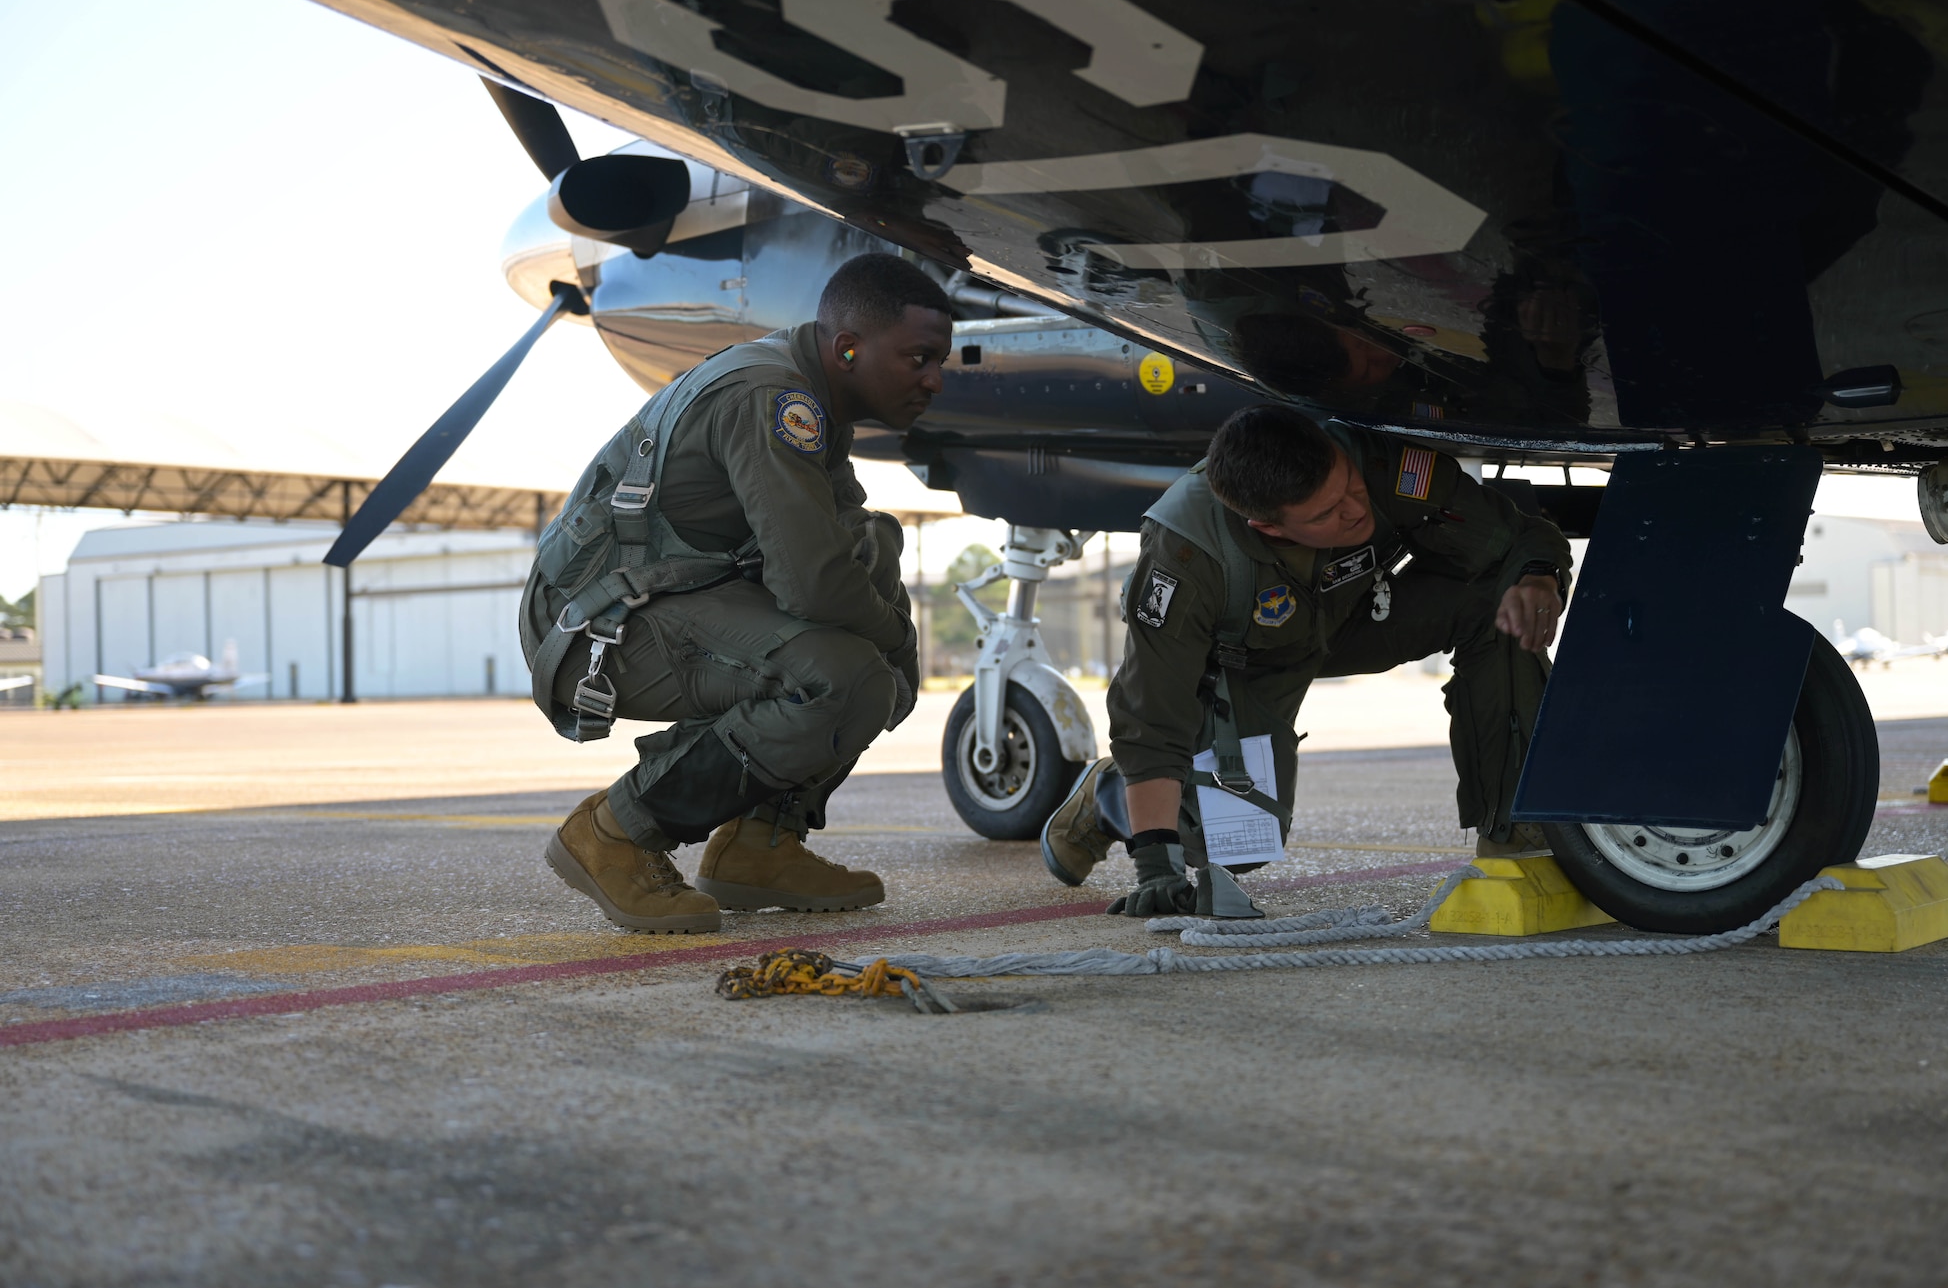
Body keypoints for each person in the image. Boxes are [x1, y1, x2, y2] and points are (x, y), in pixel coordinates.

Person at [520, 254, 951, 932]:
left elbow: (841, 552)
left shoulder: (812, 394)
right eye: (919, 357)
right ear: (847, 348)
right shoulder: (773, 399)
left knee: (875, 559)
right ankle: (616, 830)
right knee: (845, 677)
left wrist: (891, 635)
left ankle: (759, 845)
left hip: (672, 594)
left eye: (939, 361)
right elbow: (812, 583)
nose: (934, 379)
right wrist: (895, 643)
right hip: (593, 622)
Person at [1041, 403, 1573, 917]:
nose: (1356, 510)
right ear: (1268, 527)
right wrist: (1156, 866)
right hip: (1244, 664)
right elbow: (1152, 715)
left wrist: (1538, 576)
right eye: (1327, 513)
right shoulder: (1186, 555)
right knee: (1237, 843)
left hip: (1354, 620)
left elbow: (1517, 534)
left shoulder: (1375, 462)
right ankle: (1109, 792)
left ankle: (1513, 829)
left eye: (1350, 487)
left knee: (1498, 603)